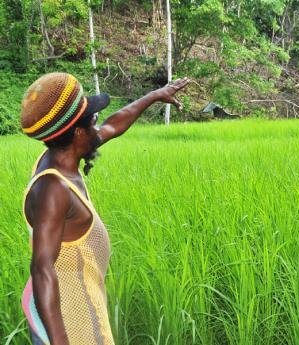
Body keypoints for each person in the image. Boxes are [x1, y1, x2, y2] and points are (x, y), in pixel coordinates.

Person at [20, 72, 189, 345]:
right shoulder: (54, 189)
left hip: (69, 302)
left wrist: (156, 95)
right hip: (68, 319)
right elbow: (42, 269)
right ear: (77, 133)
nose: (99, 129)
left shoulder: (59, 156)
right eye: (93, 122)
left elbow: (113, 126)